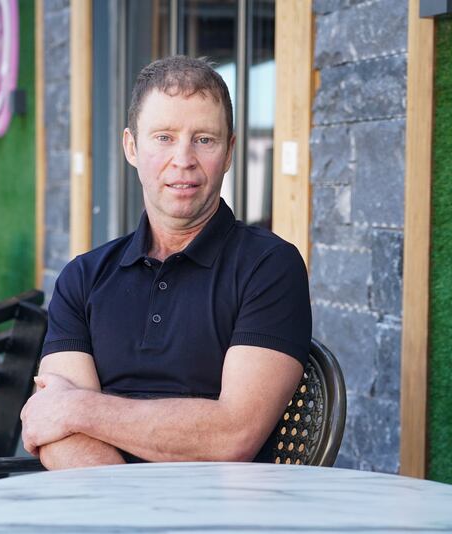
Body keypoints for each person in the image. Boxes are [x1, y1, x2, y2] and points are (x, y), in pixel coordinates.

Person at [20, 56, 312, 468]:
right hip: (99, 502)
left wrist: (77, 407)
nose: (183, 159)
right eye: (164, 137)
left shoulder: (269, 267)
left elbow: (234, 435)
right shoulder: (82, 278)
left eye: (204, 140)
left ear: (229, 151)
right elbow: (57, 436)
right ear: (131, 147)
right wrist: (130, 509)